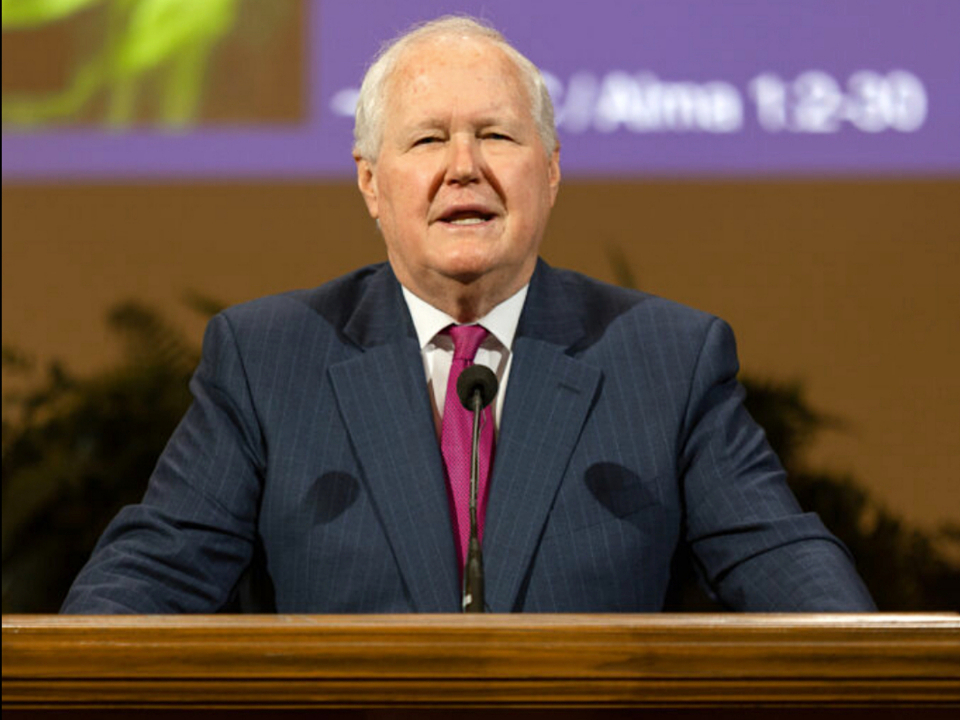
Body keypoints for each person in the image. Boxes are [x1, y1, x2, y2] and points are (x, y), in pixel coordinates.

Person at [62, 16, 875, 614]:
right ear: (370, 182)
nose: (464, 168)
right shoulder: (270, 359)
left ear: (549, 172)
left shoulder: (665, 359)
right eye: (428, 141)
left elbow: (780, 558)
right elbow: (157, 571)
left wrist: (876, 662)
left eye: (496, 136)